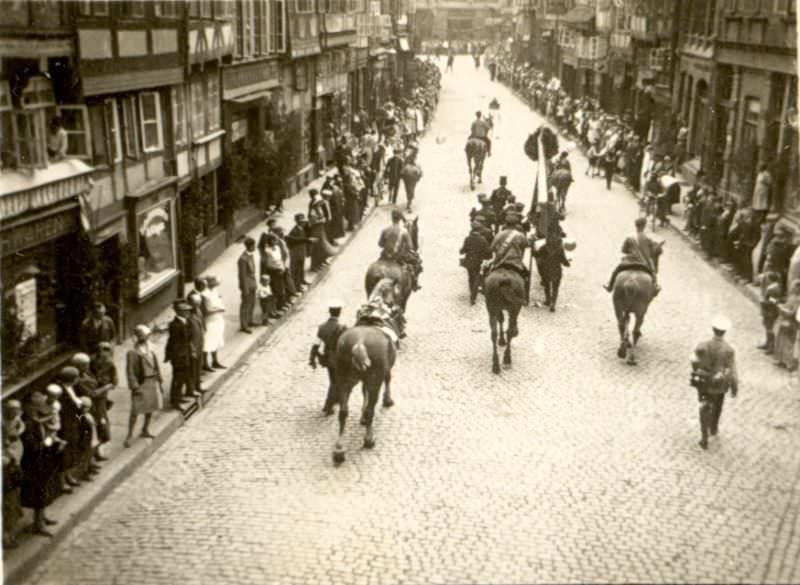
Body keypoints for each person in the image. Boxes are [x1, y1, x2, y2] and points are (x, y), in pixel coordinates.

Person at [691, 316, 738, 450]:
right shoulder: (729, 350)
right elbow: (732, 370)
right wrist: (734, 387)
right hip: (719, 384)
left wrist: (697, 370)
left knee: (704, 404)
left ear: (713, 329)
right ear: (725, 332)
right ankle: (713, 427)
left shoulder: (702, 346)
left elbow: (694, 360)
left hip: (704, 382)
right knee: (718, 405)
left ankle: (704, 436)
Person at [21, 391, 62, 537]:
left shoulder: (36, 420)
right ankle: (38, 524)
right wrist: (48, 442)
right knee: (38, 492)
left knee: (44, 489)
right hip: (34, 462)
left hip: (42, 459)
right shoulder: (28, 424)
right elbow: (31, 445)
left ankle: (42, 518)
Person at [124, 325, 163, 448]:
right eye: (142, 336)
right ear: (137, 337)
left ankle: (145, 429)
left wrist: (160, 380)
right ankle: (129, 435)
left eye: (146, 335)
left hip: (152, 380)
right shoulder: (133, 352)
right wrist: (134, 386)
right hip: (141, 383)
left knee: (150, 407)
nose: (145, 338)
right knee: (135, 411)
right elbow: (130, 371)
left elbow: (156, 365)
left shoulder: (150, 349)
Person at [604, 217, 663, 295]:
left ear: (636, 226)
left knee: (617, 270)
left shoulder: (630, 237)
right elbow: (653, 252)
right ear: (644, 226)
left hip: (630, 261)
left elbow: (623, 250)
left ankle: (610, 286)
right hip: (644, 262)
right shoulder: (649, 238)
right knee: (653, 273)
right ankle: (655, 286)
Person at [309, 301, 348, 415]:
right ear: (339, 312)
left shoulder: (322, 327)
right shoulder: (342, 327)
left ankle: (336, 399)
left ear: (330, 312)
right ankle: (328, 405)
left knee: (333, 379)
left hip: (327, 357)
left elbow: (316, 343)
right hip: (339, 358)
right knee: (337, 381)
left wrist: (312, 358)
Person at [378, 208, 422, 291]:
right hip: (398, 258)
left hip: (385, 257)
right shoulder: (404, 231)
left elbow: (380, 244)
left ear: (392, 218)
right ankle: (415, 282)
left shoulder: (385, 230)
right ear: (400, 219)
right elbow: (410, 247)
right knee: (417, 262)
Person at [165, 300, 197, 409]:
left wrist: (191, 350)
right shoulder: (175, 325)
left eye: (188, 310)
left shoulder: (185, 322)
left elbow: (189, 338)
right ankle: (175, 401)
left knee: (183, 377)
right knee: (178, 378)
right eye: (186, 311)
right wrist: (178, 357)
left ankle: (178, 397)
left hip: (186, 354)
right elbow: (175, 343)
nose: (188, 312)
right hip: (179, 356)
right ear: (179, 312)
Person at [88, 343, 116, 460]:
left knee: (102, 423)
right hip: (90, 398)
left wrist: (102, 389)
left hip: (100, 398)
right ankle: (94, 453)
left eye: (107, 351)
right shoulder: (90, 362)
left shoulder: (110, 364)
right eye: (101, 351)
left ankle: (98, 451)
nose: (104, 354)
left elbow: (114, 383)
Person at [3, 400, 25, 547]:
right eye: (12, 410)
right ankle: (6, 537)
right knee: (8, 506)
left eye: (17, 410)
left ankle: (9, 535)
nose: (15, 413)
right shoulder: (4, 426)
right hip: (6, 472)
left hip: (13, 470)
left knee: (14, 504)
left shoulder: (16, 423)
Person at [535, 235, 571, 312]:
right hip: (556, 271)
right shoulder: (560, 249)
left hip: (546, 270)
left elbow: (537, 254)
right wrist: (568, 263)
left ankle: (547, 300)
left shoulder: (544, 247)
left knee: (547, 285)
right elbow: (564, 261)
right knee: (555, 288)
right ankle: (553, 303)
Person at [460, 221, 492, 305]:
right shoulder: (483, 239)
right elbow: (488, 252)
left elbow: (463, 250)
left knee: (470, 278)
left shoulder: (468, 238)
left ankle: (472, 293)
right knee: (477, 278)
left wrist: (462, 251)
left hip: (469, 261)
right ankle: (473, 297)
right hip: (478, 262)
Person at [774, 279, 800, 371]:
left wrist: (783, 309)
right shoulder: (791, 296)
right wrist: (782, 306)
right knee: (780, 339)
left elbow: (793, 312)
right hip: (784, 320)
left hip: (791, 322)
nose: (792, 287)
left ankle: (789, 362)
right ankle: (780, 359)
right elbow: (786, 305)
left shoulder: (798, 300)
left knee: (789, 342)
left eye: (794, 286)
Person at [201, 275, 226, 371]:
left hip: (218, 319)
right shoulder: (205, 294)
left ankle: (215, 361)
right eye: (214, 283)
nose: (215, 285)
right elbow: (206, 311)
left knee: (216, 340)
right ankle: (205, 363)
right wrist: (219, 309)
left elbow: (218, 301)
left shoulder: (215, 291)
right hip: (210, 320)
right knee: (208, 342)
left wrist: (219, 307)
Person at [286, 213, 315, 293]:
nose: (304, 223)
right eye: (302, 222)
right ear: (298, 222)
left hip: (301, 252)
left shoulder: (302, 229)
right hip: (296, 253)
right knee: (296, 269)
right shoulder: (294, 231)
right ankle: (297, 286)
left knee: (301, 268)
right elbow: (292, 241)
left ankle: (301, 280)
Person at [237, 237, 258, 334]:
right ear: (249, 246)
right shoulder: (243, 259)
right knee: (245, 305)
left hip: (252, 283)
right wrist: (245, 289)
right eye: (253, 245)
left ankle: (250, 320)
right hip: (247, 285)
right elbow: (242, 275)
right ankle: (244, 325)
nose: (255, 247)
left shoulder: (250, 256)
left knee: (252, 303)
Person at [186, 293, 206, 392]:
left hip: (199, 343)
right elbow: (187, 336)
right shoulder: (187, 316)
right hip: (192, 346)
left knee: (198, 367)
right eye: (195, 304)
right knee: (191, 369)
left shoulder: (198, 311)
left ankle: (198, 386)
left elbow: (202, 324)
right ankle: (191, 389)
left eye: (198, 304)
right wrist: (191, 348)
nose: (197, 306)